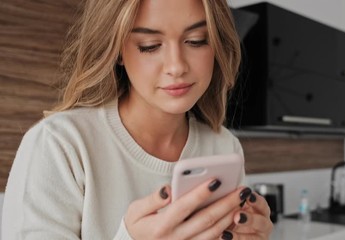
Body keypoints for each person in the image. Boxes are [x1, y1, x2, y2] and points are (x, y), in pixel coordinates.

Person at [2, 0, 273, 239]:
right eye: (150, 46)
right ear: (118, 50)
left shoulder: (224, 147)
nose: (177, 66)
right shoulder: (60, 145)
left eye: (196, 40)